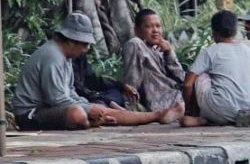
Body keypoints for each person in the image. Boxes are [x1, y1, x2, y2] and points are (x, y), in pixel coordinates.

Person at [12, 13, 183, 131]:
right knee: (78, 114)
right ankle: (155, 115)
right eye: (84, 44)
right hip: (31, 115)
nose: (86, 49)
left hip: (51, 107)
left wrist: (89, 105)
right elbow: (56, 99)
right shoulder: (53, 57)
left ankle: (156, 115)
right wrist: (87, 108)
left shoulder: (66, 57)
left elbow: (70, 91)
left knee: (97, 108)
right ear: (71, 41)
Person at [180, 10, 250, 127]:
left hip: (218, 109)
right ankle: (210, 120)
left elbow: (188, 84)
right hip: (244, 112)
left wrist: (188, 109)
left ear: (214, 32)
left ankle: (199, 117)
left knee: (199, 75)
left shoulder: (210, 51)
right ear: (235, 31)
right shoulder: (249, 51)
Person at [122, 9, 186, 112]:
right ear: (137, 30)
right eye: (148, 26)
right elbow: (131, 79)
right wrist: (130, 102)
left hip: (178, 96)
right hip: (159, 102)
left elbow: (182, 78)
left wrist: (169, 53)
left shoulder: (161, 50)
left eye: (158, 26)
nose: (155, 30)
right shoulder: (136, 45)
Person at [73, 53, 139, 110]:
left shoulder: (80, 56)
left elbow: (95, 81)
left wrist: (122, 86)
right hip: (78, 99)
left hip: (92, 96)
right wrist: (107, 101)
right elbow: (77, 90)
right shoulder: (68, 60)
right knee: (100, 105)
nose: (87, 48)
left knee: (116, 92)